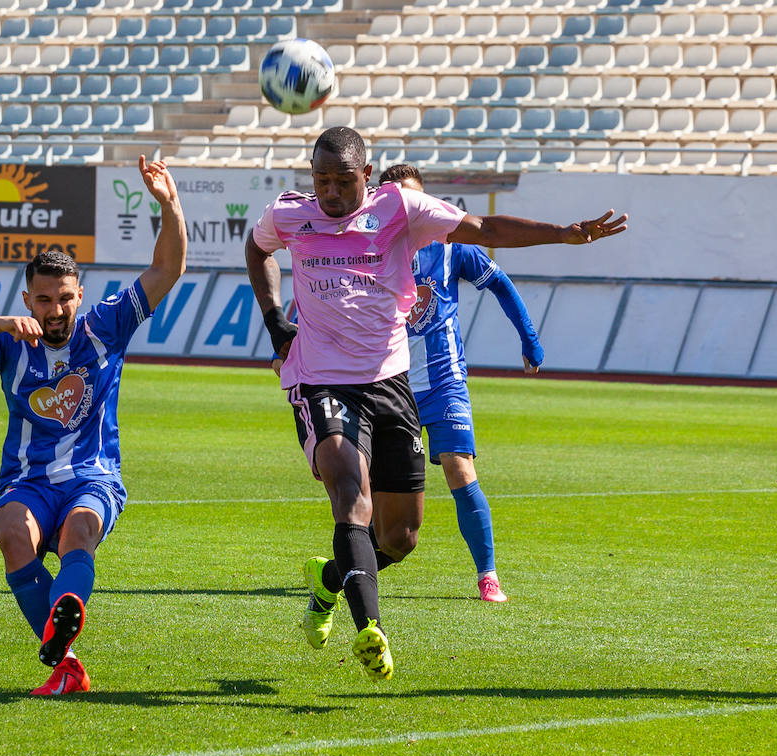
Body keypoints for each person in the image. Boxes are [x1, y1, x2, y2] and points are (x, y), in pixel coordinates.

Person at [246, 127, 626, 679]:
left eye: (343, 181)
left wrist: (564, 234)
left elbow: (484, 227)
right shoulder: (288, 214)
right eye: (321, 179)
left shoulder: (399, 207)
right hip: (321, 381)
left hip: (390, 383)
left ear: (367, 177)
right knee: (351, 494)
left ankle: (329, 581)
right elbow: (258, 252)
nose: (330, 192)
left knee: (400, 536)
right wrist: (274, 317)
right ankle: (370, 629)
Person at [0, 156, 186, 697]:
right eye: (44, 300)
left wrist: (169, 204)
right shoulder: (10, 341)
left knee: (79, 533)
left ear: (80, 295)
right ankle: (66, 660)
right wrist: (1, 322)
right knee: (10, 534)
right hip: (28, 480)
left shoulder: (106, 326)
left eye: (65, 298)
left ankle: (63, 615)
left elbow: (167, 270)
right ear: (29, 299)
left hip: (92, 475)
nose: (55, 310)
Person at [379, 163, 543, 603]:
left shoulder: (453, 247)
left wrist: (529, 338)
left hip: (444, 381)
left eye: (415, 200)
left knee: (458, 465)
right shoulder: (371, 249)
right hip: (389, 387)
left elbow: (501, 284)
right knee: (382, 492)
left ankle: (487, 575)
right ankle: (360, 563)